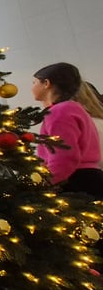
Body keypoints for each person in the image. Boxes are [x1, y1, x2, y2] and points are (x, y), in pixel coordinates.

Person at [32, 63, 103, 198]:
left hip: (75, 181)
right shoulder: (74, 108)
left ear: (46, 83)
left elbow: (64, 156)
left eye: (34, 82)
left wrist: (45, 183)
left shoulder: (60, 112)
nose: (32, 87)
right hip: (88, 177)